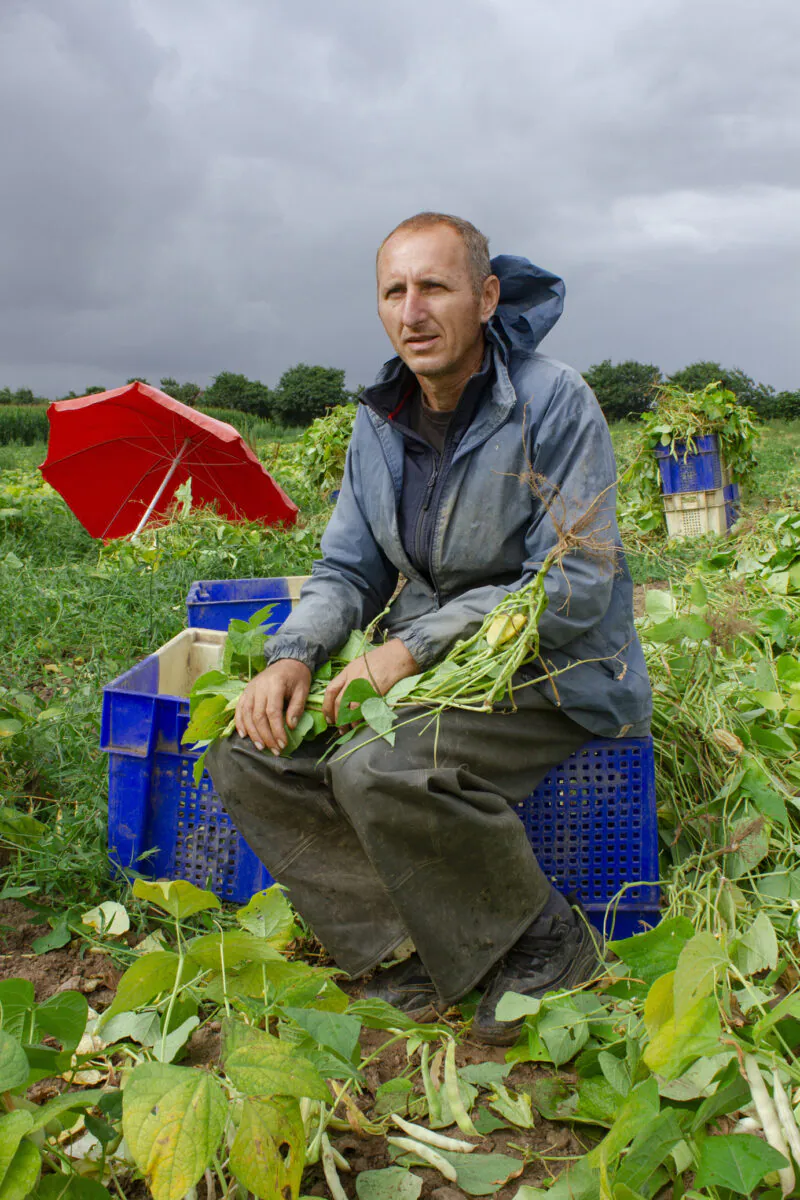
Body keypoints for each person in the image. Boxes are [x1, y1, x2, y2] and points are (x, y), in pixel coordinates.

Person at [207, 212, 652, 1045]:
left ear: (485, 298)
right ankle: (405, 944)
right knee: (248, 753)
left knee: (378, 767)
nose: (412, 311)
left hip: (552, 667)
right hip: (427, 664)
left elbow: (576, 578)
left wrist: (413, 646)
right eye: (394, 291)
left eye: (435, 286)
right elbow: (348, 569)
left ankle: (546, 940)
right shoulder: (378, 423)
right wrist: (293, 655)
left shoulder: (553, 402)